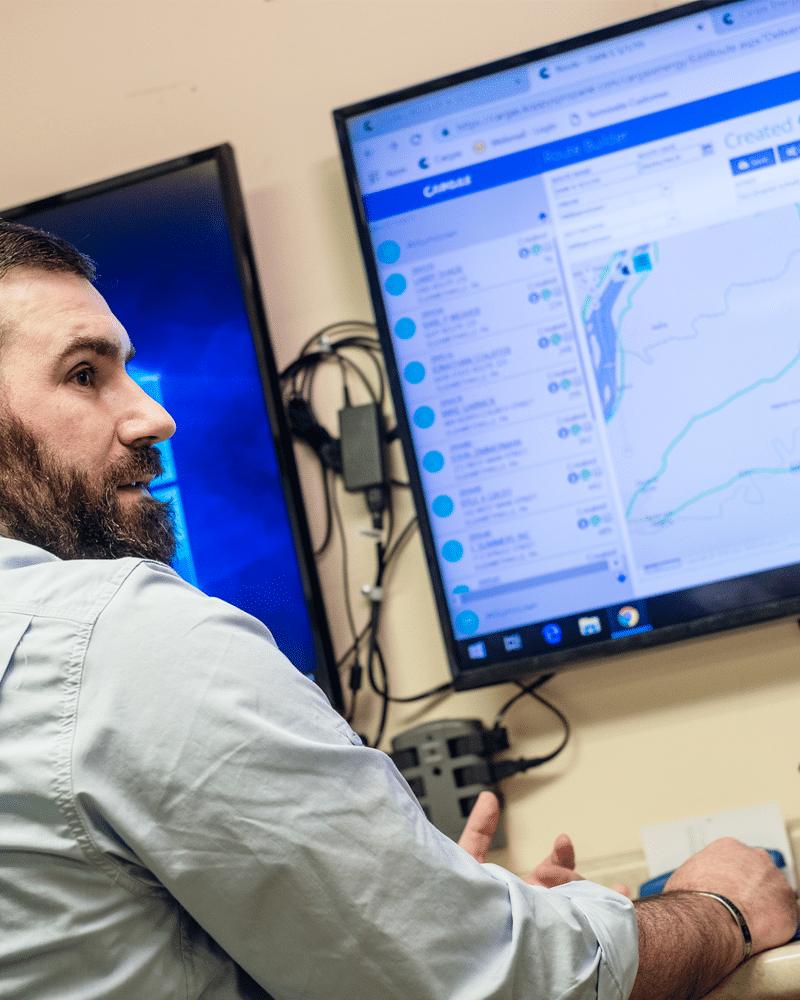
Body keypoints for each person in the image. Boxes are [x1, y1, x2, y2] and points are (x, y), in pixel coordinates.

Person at [0, 219, 795, 1000]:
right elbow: (516, 989)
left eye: (128, 371)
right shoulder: (123, 643)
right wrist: (721, 907)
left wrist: (424, 911)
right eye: (83, 374)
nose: (152, 416)